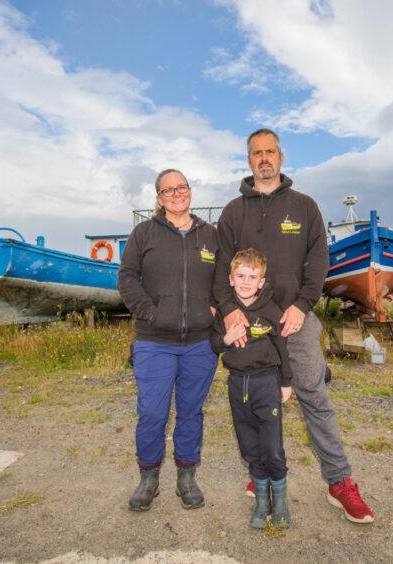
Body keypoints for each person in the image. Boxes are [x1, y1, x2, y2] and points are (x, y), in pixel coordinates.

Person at [213, 128, 375, 524]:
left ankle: (339, 482)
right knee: (256, 402)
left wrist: (303, 305)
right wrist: (230, 310)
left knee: (313, 396)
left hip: (294, 321)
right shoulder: (234, 212)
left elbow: (317, 262)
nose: (263, 158)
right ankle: (263, 474)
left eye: (270, 152)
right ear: (248, 160)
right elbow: (220, 269)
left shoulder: (305, 207)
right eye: (256, 153)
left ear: (281, 158)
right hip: (251, 327)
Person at [118, 169, 219, 512]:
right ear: (159, 198)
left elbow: (224, 281)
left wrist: (215, 309)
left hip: (200, 343)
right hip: (154, 341)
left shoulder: (212, 236)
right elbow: (127, 278)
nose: (176, 194)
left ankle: (187, 477)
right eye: (168, 190)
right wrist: (150, 312)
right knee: (152, 413)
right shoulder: (143, 233)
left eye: (182, 187)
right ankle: (148, 478)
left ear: (190, 191)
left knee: (191, 412)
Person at [211, 248, 293, 529]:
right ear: (231, 279)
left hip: (266, 383)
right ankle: (262, 501)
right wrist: (226, 338)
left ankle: (280, 501)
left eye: (252, 277)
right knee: (249, 447)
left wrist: (285, 382)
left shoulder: (271, 310)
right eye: (241, 276)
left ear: (261, 281)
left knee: (272, 448)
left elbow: (283, 348)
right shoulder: (226, 312)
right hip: (237, 384)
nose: (246, 282)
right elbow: (213, 343)